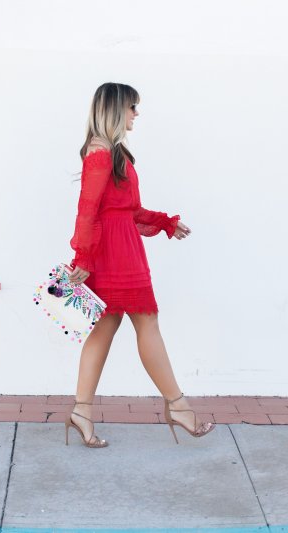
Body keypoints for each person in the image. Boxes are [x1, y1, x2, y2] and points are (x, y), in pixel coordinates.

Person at [64, 82, 215, 448]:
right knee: (146, 323)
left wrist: (164, 222)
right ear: (116, 110)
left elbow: (127, 211)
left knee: (106, 326)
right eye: (132, 107)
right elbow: (88, 211)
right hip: (115, 254)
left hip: (116, 249)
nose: (136, 114)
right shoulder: (101, 154)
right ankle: (178, 406)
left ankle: (81, 412)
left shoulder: (111, 153)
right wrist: (82, 257)